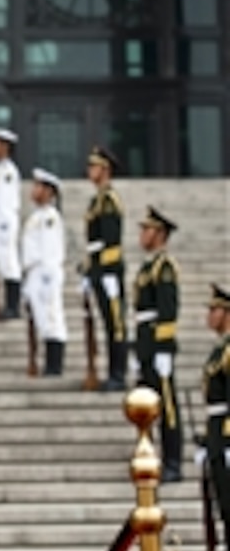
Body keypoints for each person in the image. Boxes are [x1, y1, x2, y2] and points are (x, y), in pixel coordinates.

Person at [133, 207, 182, 483]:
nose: (142, 235)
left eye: (147, 230)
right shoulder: (148, 267)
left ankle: (173, 460)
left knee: (168, 406)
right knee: (146, 404)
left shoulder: (164, 268)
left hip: (157, 342)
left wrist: (163, 347)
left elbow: (167, 309)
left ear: (160, 234)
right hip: (145, 341)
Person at [82, 145, 127, 391]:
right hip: (99, 269)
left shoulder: (108, 200)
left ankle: (118, 374)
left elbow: (110, 241)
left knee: (116, 325)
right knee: (108, 323)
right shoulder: (97, 200)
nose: (90, 171)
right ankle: (113, 371)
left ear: (105, 170)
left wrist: (104, 270)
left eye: (94, 167)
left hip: (109, 270)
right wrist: (89, 269)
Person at [21, 168, 68, 376]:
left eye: (39, 186)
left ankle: (54, 365)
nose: (34, 190)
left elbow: (50, 252)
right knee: (41, 319)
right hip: (35, 272)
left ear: (49, 192)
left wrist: (47, 281)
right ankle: (49, 362)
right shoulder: (38, 216)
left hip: (45, 273)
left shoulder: (49, 218)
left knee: (51, 319)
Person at [199, 284, 230, 551]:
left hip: (226, 437)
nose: (209, 316)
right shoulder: (221, 350)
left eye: (214, 310)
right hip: (217, 435)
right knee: (223, 507)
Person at [0, 128, 22, 319]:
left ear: (5, 147)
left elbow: (6, 204)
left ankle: (13, 306)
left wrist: (2, 228)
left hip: (4, 224)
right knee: (3, 264)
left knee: (9, 264)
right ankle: (9, 304)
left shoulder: (8, 172)